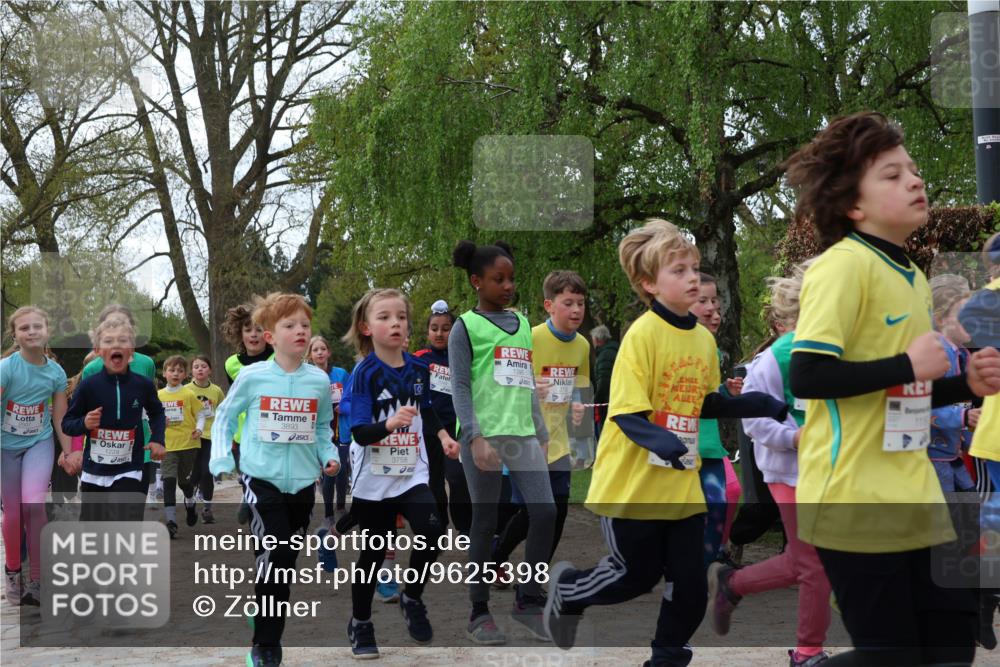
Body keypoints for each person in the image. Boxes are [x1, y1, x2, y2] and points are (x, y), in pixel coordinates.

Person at [787, 112, 1000, 666]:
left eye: (913, 169)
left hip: (919, 491)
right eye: (891, 174)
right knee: (892, 657)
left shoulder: (908, 274)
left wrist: (963, 383)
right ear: (853, 205)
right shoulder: (842, 267)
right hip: (854, 499)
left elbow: (903, 392)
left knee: (953, 651)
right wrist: (906, 359)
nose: (915, 181)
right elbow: (807, 376)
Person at [543, 219, 788, 667]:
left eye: (694, 267)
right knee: (634, 577)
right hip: (632, 488)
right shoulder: (641, 336)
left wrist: (758, 404)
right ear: (649, 284)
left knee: (691, 582)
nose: (693, 277)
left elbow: (704, 403)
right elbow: (628, 414)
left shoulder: (701, 338)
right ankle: (568, 591)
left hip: (682, 487)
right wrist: (667, 443)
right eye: (679, 270)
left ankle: (667, 658)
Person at [707, 259, 834, 667]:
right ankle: (807, 652)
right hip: (788, 472)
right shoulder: (774, 360)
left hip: (831, 469)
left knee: (806, 560)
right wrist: (795, 437)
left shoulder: (838, 354)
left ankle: (733, 582)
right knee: (815, 564)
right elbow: (755, 421)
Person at [210, 292, 339, 667]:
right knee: (278, 554)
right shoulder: (252, 376)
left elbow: (321, 429)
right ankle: (265, 644)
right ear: (270, 336)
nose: (300, 331)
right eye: (289, 326)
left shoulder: (318, 381)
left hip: (301, 485)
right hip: (260, 479)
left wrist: (329, 456)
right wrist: (220, 457)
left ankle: (263, 611)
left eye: (304, 325)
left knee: (280, 561)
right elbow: (224, 417)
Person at [341, 288, 460, 658]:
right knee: (373, 555)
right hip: (374, 479)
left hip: (411, 473)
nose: (395, 323)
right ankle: (361, 623)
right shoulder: (364, 374)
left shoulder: (419, 369)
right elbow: (360, 432)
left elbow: (427, 407)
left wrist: (442, 436)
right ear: (366, 327)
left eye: (401, 317)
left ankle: (412, 597)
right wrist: (391, 423)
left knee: (434, 530)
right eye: (384, 317)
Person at [449, 239, 556, 644]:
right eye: (498, 279)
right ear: (477, 282)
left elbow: (526, 382)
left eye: (511, 278)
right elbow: (459, 387)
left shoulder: (524, 324)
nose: (508, 285)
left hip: (522, 434)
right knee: (485, 520)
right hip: (483, 438)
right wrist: (473, 437)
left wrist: (541, 431)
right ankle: (478, 612)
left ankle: (528, 601)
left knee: (544, 512)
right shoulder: (466, 326)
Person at [494, 271, 590, 567]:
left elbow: (582, 388)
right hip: (527, 439)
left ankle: (533, 576)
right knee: (532, 513)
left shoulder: (583, 346)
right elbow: (501, 382)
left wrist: (583, 437)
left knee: (558, 513)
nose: (576, 310)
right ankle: (495, 558)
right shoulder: (530, 337)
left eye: (581, 303)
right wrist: (533, 382)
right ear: (549, 305)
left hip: (559, 442)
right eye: (569, 303)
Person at [1, 306, 74, 606]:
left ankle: (39, 581)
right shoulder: (6, 368)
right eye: (24, 328)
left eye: (37, 327)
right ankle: (13, 572)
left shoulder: (56, 373)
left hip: (38, 443)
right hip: (5, 446)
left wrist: (69, 452)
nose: (31, 332)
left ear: (47, 331)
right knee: (14, 513)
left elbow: (59, 418)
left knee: (34, 505)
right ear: (15, 335)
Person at [63, 315, 166, 522]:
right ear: (99, 351)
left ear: (132, 351)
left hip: (131, 468)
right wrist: (84, 423)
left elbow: (157, 412)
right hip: (95, 470)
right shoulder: (88, 386)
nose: (116, 345)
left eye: (123, 340)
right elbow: (68, 423)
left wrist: (157, 439)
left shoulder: (142, 385)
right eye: (108, 341)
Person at [690, 272, 744, 567]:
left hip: (709, 443)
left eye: (716, 302)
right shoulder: (677, 343)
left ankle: (714, 554)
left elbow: (707, 396)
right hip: (682, 443)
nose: (713, 310)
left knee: (728, 494)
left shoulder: (711, 348)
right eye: (703, 301)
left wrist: (726, 391)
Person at [81, 304, 158, 498]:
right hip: (101, 448)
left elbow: (151, 404)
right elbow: (81, 411)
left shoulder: (146, 364)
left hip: (138, 444)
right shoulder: (92, 369)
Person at [414, 299, 472, 535]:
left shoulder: (461, 357)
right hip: (429, 429)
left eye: (446, 328)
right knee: (434, 482)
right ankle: (438, 527)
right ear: (427, 331)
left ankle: (466, 530)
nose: (439, 333)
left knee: (458, 479)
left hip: (456, 427)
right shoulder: (420, 358)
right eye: (434, 328)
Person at [221, 303, 275, 524]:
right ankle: (248, 495)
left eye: (259, 329)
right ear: (239, 334)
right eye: (248, 330)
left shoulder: (278, 358)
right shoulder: (231, 364)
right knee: (249, 478)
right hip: (244, 433)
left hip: (273, 430)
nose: (254, 334)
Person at [927, 276, 976, 493]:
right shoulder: (937, 354)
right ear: (940, 320)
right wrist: (964, 417)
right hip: (934, 458)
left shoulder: (961, 353)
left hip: (952, 453)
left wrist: (971, 441)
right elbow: (925, 404)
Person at [306, 335, 351, 530]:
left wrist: (344, 407)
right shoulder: (306, 376)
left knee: (341, 472)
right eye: (315, 350)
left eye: (322, 349)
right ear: (310, 355)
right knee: (328, 473)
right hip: (319, 432)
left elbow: (353, 397)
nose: (319, 353)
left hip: (341, 429)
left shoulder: (341, 374)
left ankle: (341, 507)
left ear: (328, 352)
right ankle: (328, 514)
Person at [158, 355, 205, 538]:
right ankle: (171, 522)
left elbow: (200, 414)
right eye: (172, 370)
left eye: (179, 370)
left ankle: (190, 502)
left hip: (188, 444)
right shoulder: (159, 395)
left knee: (184, 482)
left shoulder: (188, 394)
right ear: (165, 373)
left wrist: (199, 429)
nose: (175, 373)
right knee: (168, 481)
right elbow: (148, 416)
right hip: (167, 445)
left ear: (185, 374)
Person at [186, 354, 224, 523]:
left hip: (211, 435)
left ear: (210, 370)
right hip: (192, 437)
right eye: (196, 366)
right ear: (191, 371)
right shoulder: (186, 390)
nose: (200, 369)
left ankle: (207, 509)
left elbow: (223, 410)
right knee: (194, 474)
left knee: (208, 471)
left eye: (203, 366)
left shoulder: (216, 390)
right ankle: (190, 500)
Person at [590, 324, 619, 440]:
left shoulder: (604, 355)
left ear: (597, 340)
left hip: (607, 401)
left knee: (604, 434)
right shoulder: (616, 349)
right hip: (616, 399)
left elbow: (604, 381)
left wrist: (595, 401)